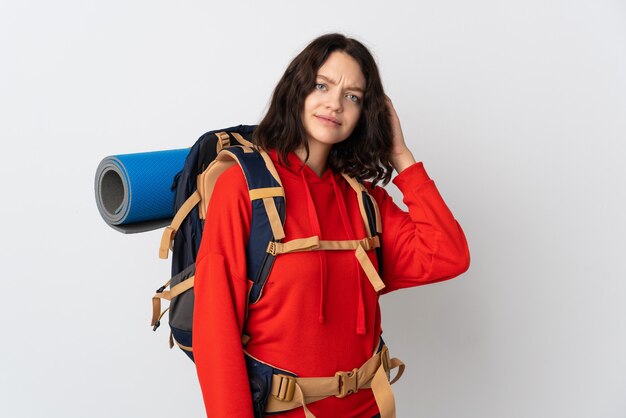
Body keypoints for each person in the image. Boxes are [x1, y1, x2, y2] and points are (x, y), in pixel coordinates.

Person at [192, 33, 470, 418]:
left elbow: (449, 255)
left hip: (370, 409)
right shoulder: (243, 188)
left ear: (365, 113)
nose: (335, 104)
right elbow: (214, 331)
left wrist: (402, 157)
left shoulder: (365, 200)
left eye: (353, 96)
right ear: (297, 90)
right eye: (322, 85)